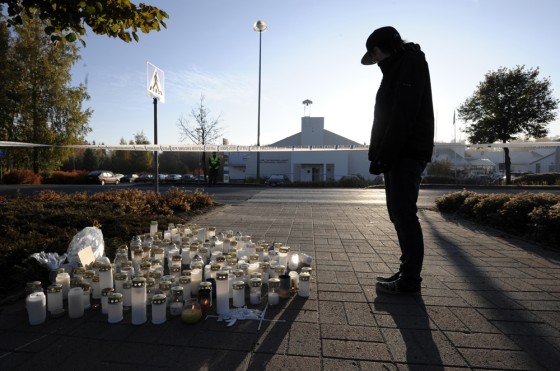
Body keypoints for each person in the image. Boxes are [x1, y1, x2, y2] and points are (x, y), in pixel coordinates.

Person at [361, 26, 434, 295]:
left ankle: (410, 280)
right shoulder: (396, 66)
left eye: (375, 53)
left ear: (384, 48)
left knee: (404, 215)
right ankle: (407, 271)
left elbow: (404, 115)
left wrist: (385, 155)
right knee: (398, 215)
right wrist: (377, 154)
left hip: (407, 153)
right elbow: (385, 114)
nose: (375, 59)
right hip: (397, 153)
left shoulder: (411, 63)